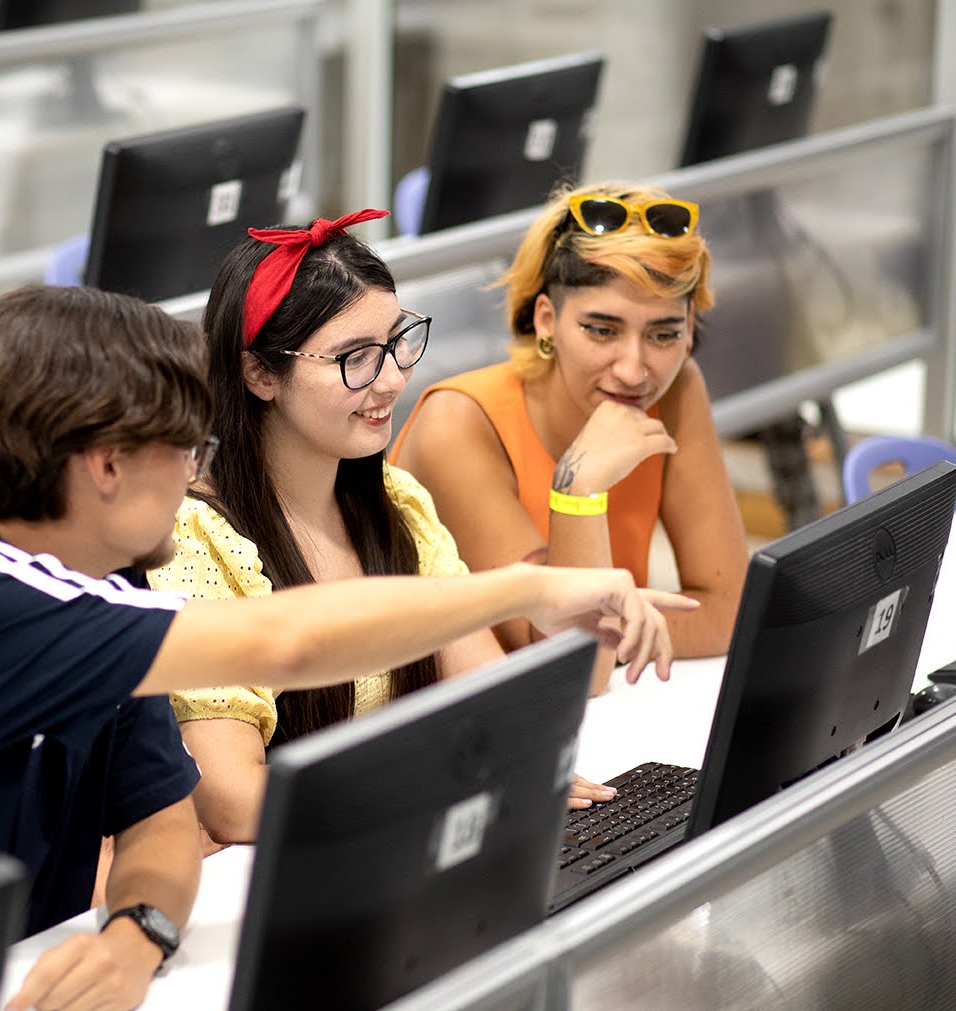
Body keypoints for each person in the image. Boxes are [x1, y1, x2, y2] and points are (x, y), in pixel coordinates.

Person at [0, 284, 689, 1011]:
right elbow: (286, 638)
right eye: (187, 452)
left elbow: (162, 814)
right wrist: (526, 588)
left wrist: (138, 932)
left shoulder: (96, 584)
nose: (200, 478)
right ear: (105, 465)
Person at [146, 210, 655, 848]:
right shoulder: (194, 540)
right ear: (260, 374)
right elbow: (235, 802)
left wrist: (519, 762)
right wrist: (440, 784)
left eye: (396, 342)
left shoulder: (396, 502)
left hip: (389, 847)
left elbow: (498, 704)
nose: (392, 378)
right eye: (354, 358)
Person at [392, 180, 748, 692]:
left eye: (664, 334)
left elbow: (728, 611)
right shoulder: (458, 424)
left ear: (690, 328)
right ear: (546, 321)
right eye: (601, 330)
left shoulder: (677, 389)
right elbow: (569, 663)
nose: (633, 370)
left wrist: (609, 631)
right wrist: (578, 490)